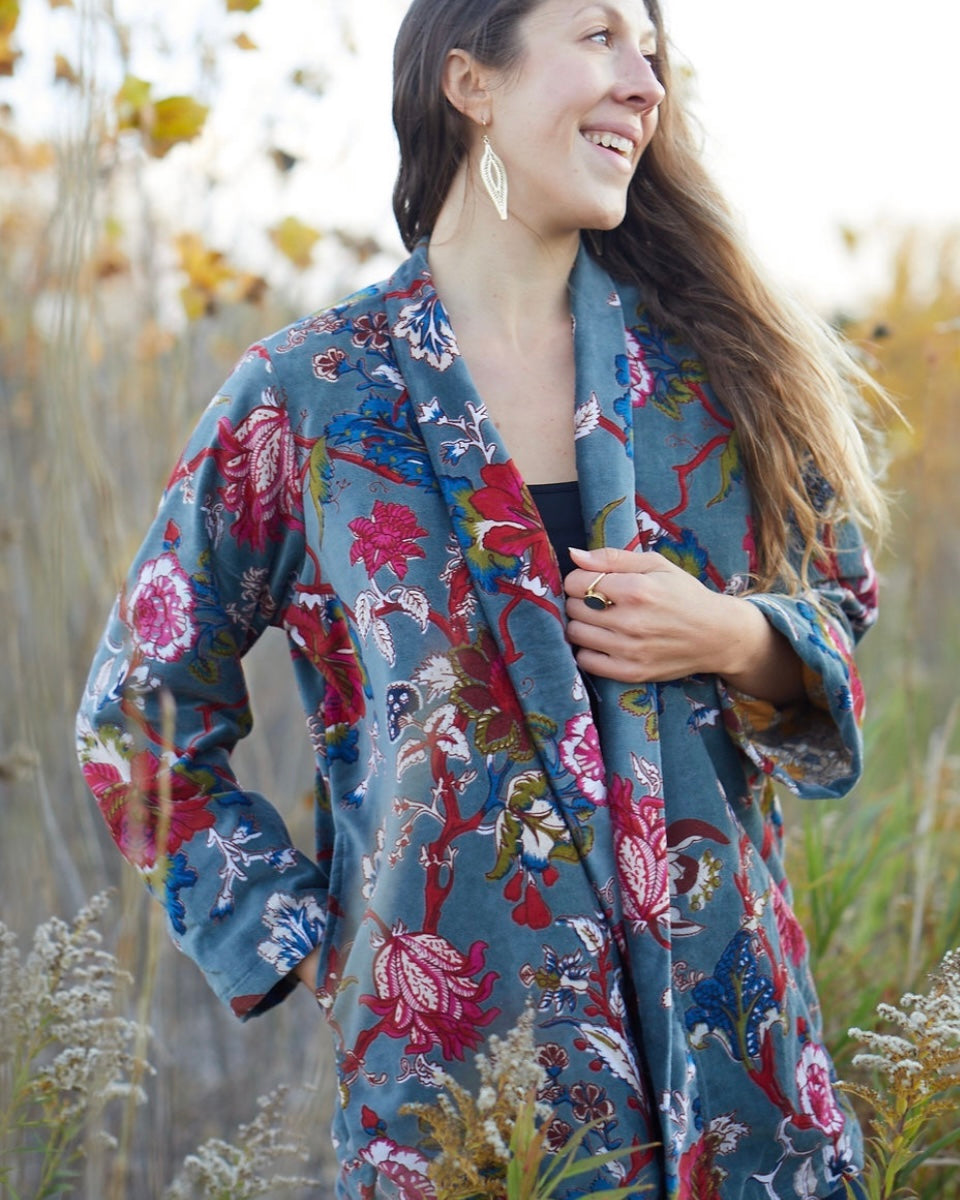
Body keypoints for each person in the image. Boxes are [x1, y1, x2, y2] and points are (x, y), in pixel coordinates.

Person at [76, 0, 886, 1196]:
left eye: (653, 53)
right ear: (471, 79)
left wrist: (734, 633)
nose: (645, 83)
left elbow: (841, 599)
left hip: (743, 1073)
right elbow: (138, 719)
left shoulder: (719, 373)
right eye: (601, 36)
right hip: (464, 1101)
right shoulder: (311, 394)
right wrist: (315, 942)